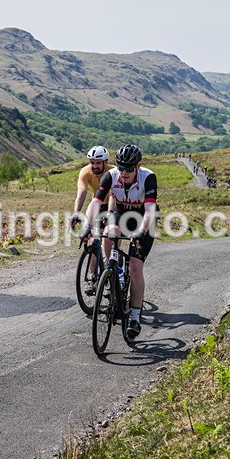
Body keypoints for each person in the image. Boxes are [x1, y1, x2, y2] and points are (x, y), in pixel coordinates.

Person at [81, 144, 157, 340]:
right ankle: (114, 271)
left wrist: (140, 232)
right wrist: (86, 225)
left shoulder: (148, 177)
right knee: (109, 232)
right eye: (121, 167)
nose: (124, 172)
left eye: (129, 169)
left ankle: (134, 316)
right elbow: (96, 202)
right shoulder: (112, 175)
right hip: (121, 214)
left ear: (138, 166)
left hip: (143, 220)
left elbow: (149, 211)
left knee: (135, 266)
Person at [70, 146, 112, 295]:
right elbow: (81, 193)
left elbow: (113, 196)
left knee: (110, 240)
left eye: (98, 163)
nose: (94, 166)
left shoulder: (113, 172)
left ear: (105, 162)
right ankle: (91, 277)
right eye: (92, 162)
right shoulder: (85, 172)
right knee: (92, 240)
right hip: (98, 204)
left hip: (113, 206)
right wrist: (76, 213)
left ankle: (111, 277)